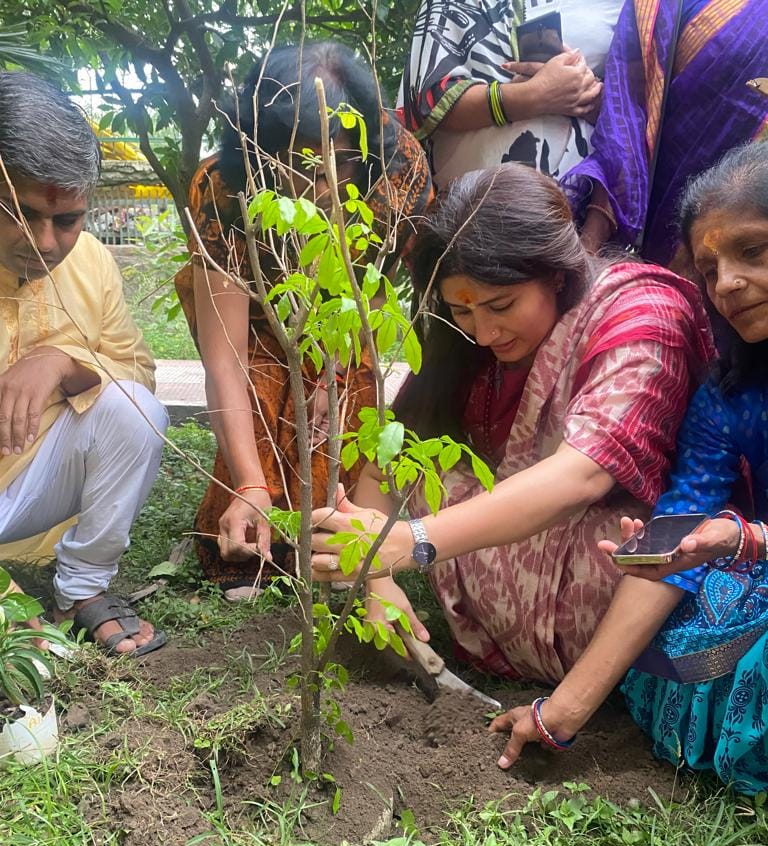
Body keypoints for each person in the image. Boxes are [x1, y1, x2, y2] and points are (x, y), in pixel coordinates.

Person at [310, 162, 714, 682]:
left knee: (617, 547)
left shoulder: (641, 314)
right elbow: (388, 462)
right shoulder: (465, 342)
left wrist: (413, 541)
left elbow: (583, 475)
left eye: (501, 305)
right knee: (427, 465)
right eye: (463, 312)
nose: (483, 334)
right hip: (518, 543)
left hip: (615, 560)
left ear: (556, 273)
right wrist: (379, 583)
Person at [491, 141, 768, 793]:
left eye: (752, 252)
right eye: (709, 268)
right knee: (703, 623)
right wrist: (561, 714)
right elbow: (685, 519)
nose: (727, 283)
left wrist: (745, 541)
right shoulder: (726, 396)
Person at [175, 42, 432, 600]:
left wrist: (334, 370)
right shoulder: (222, 187)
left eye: (343, 160)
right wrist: (249, 483)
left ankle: (339, 534)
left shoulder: (397, 169)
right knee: (261, 397)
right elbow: (225, 357)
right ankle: (255, 516)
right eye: (301, 163)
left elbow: (374, 293)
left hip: (347, 320)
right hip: (260, 326)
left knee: (345, 422)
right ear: (261, 149)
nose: (325, 185)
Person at [0, 72, 167, 656]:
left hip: (29, 490)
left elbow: (138, 372)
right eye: (20, 213)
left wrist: (62, 363)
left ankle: (79, 591)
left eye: (67, 220)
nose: (45, 242)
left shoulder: (92, 261)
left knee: (136, 410)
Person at [563, 0, 768, 265]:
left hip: (751, 235)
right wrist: (590, 247)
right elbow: (625, 120)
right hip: (634, 230)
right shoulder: (653, 6)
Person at [398, 0, 622, 188]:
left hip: (582, 200)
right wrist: (534, 95)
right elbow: (430, 102)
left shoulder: (625, 7)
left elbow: (636, 106)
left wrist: (586, 93)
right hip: (471, 204)